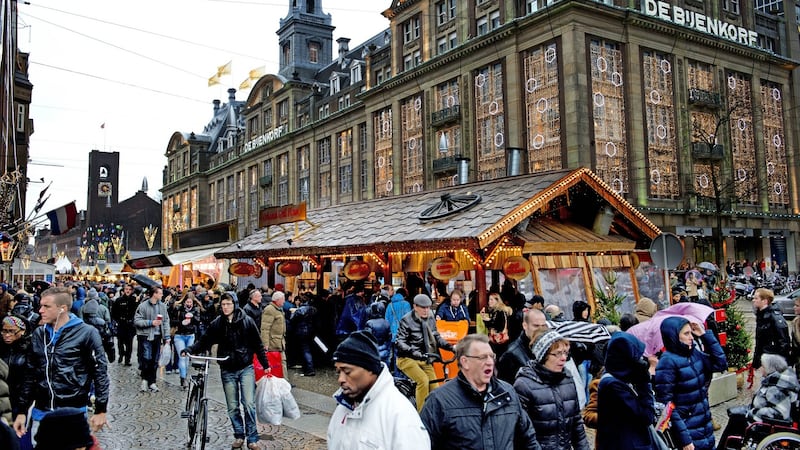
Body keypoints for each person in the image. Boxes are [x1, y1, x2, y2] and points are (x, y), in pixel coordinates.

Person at [12, 287, 109, 446]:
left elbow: (100, 372)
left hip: (73, 412)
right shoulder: (39, 334)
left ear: (62, 309)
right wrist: (22, 411)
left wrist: (100, 409)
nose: (40, 310)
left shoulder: (87, 333)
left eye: (46, 306)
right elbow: (30, 374)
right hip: (41, 412)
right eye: (41, 305)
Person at [420, 333, 540, 449]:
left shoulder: (507, 392)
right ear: (464, 362)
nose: (490, 362)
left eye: (491, 356)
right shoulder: (439, 400)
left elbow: (528, 439)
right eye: (482, 357)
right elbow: (422, 443)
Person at [182, 293, 269, 450]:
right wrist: (189, 349)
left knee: (248, 404)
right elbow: (205, 341)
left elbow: (257, 344)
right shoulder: (218, 323)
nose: (225, 307)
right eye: (223, 305)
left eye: (228, 304)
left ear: (234, 304)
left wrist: (265, 364)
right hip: (227, 368)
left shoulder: (246, 321)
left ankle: (252, 438)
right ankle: (239, 435)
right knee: (232, 406)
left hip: (245, 367)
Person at [327, 330, 429, 449]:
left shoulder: (400, 415)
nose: (341, 379)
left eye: (347, 371)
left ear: (370, 369)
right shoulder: (342, 409)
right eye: (338, 372)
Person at [654, 316, 727, 450]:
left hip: (705, 427)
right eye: (686, 333)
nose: (691, 337)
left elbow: (721, 364)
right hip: (688, 431)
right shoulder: (667, 362)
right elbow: (667, 405)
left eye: (691, 332)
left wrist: (705, 335)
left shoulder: (693, 353)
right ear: (674, 336)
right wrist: (684, 439)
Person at [514, 329, 590, 450]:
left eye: (565, 353)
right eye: (557, 353)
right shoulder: (524, 384)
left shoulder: (567, 379)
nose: (564, 358)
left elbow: (576, 424)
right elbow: (521, 431)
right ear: (543, 356)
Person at [716, 354, 800, 450]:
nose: (760, 368)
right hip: (762, 415)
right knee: (735, 418)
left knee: (736, 421)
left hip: (766, 422)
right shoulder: (777, 380)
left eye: (763, 366)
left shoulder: (775, 388)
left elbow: (781, 413)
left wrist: (753, 413)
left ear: (770, 368)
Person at [596, 333, 656, 450]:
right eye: (636, 357)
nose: (640, 361)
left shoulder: (617, 378)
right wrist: (644, 383)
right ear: (625, 359)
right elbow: (646, 416)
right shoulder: (612, 385)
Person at [395, 293, 454, 412]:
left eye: (428, 307)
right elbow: (399, 342)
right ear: (415, 306)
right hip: (407, 358)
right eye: (423, 307)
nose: (426, 310)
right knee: (423, 380)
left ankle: (437, 413)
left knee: (435, 386)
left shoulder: (431, 317)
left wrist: (451, 347)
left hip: (425, 358)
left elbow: (436, 336)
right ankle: (421, 414)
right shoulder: (406, 320)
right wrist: (413, 352)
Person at [133, 286, 171, 392]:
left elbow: (166, 321)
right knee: (146, 358)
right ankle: (145, 380)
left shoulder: (162, 306)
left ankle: (152, 381)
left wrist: (167, 336)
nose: (162, 295)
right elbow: (137, 321)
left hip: (158, 336)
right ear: (154, 294)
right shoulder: (143, 306)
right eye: (160, 293)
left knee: (154, 360)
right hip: (145, 335)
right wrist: (150, 323)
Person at [496, 307, 548, 383]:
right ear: (525, 325)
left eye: (543, 326)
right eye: (536, 326)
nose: (540, 330)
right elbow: (505, 388)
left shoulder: (548, 348)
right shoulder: (510, 355)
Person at [752, 288, 790, 370]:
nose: (753, 300)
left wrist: (777, 363)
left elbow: (783, 343)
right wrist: (756, 363)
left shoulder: (774, 318)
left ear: (764, 301)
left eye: (756, 298)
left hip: (773, 362)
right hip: (764, 360)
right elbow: (759, 343)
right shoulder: (761, 316)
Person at [172, 295, 201, 388]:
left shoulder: (195, 310)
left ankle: (184, 374)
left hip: (190, 335)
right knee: (182, 356)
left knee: (187, 357)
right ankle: (183, 378)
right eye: (187, 302)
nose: (189, 304)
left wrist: (192, 318)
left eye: (190, 303)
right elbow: (172, 321)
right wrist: (181, 322)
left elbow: (198, 321)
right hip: (179, 335)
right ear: (184, 302)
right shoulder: (178, 309)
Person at [288, 293, 317, 377]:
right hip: (310, 331)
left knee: (305, 349)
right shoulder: (313, 309)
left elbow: (292, 319)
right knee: (308, 349)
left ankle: (309, 369)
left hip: (301, 331)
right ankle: (309, 367)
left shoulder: (300, 310)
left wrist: (293, 312)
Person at [261, 290, 288, 380]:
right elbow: (265, 328)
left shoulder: (279, 309)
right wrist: (265, 344)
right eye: (283, 299)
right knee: (276, 363)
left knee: (282, 362)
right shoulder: (270, 309)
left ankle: (285, 382)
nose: (284, 301)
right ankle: (281, 382)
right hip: (273, 343)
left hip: (279, 341)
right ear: (277, 300)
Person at [111, 284, 138, 366]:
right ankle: (121, 354)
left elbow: (137, 312)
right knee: (120, 342)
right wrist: (117, 320)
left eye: (130, 289)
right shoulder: (118, 300)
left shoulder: (134, 300)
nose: (128, 291)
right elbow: (113, 312)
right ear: (123, 290)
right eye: (126, 289)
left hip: (130, 325)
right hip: (121, 324)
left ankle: (127, 359)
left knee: (129, 343)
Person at [480, 292, 513, 356]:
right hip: (498, 342)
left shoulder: (500, 312)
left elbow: (499, 327)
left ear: (497, 301)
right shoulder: (496, 311)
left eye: (492, 299)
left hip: (499, 342)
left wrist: (487, 320)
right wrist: (485, 319)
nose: (489, 301)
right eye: (489, 299)